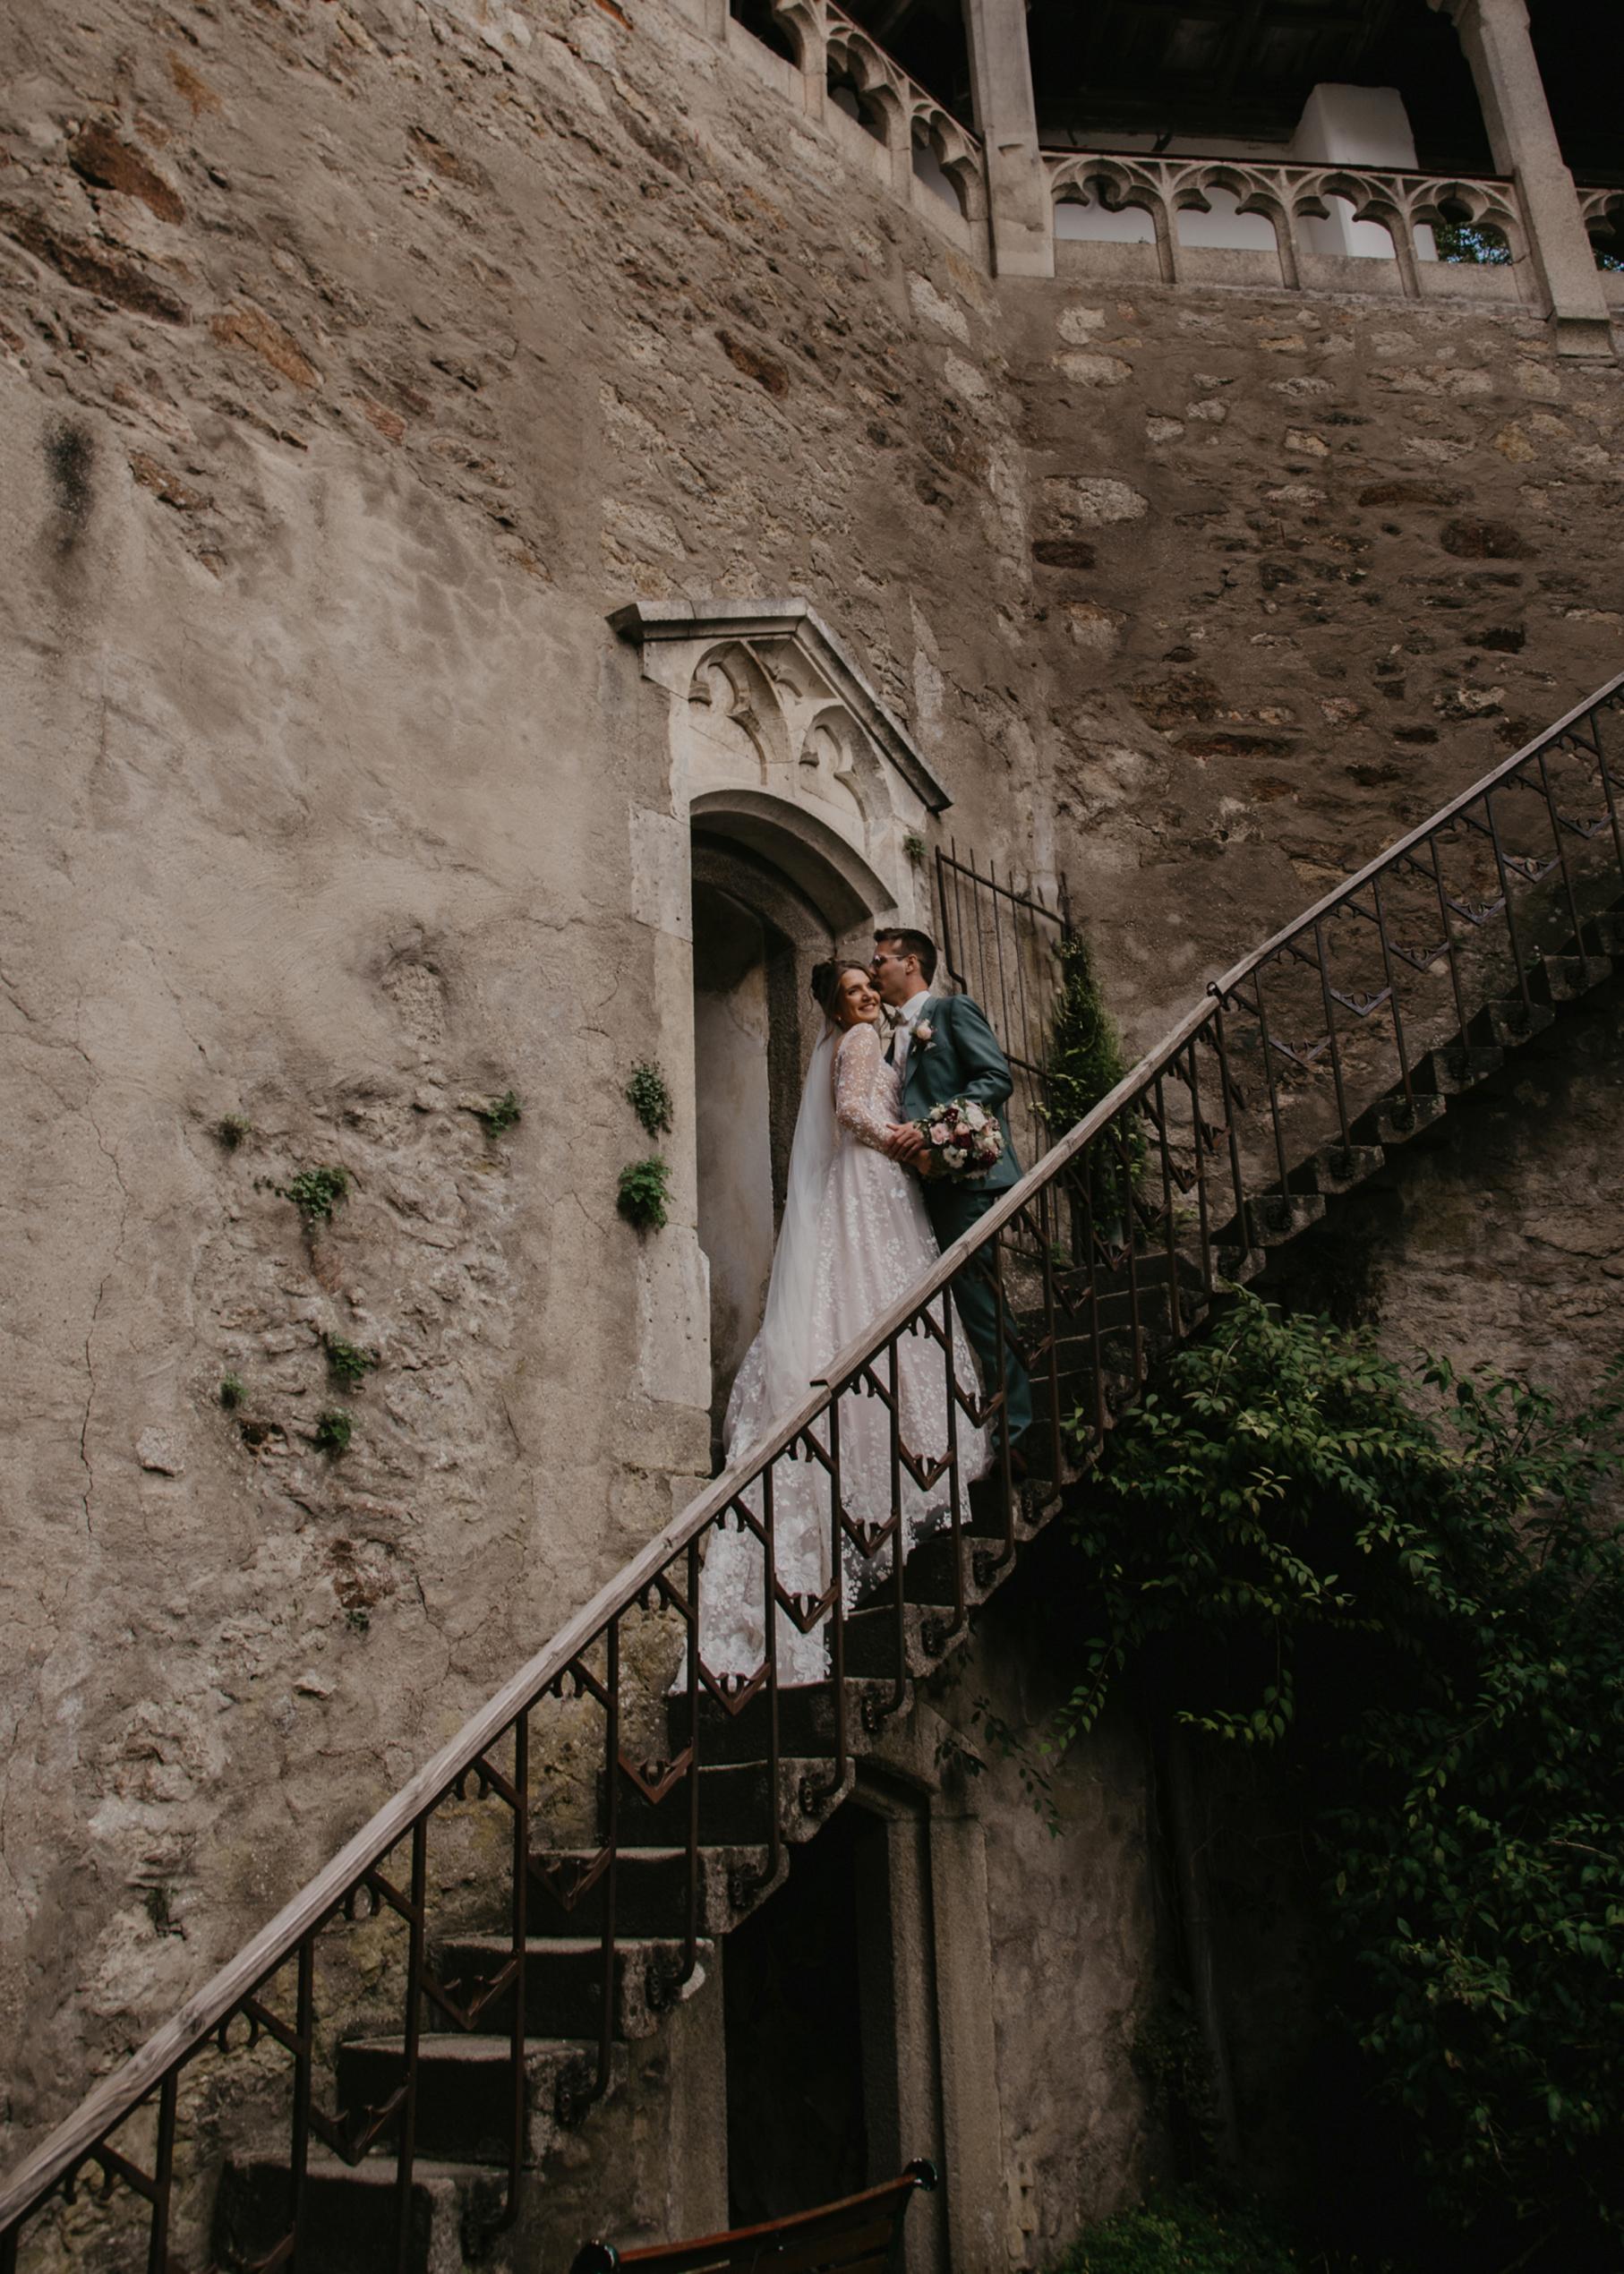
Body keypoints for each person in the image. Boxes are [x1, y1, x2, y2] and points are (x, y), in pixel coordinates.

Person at [692, 961, 989, 1686]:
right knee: (875, 1290)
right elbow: (853, 1112)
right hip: (870, 1175)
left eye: (867, 987)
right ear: (835, 1008)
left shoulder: (863, 1039)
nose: (865, 997)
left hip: (866, 1178)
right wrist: (909, 1141)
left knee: (867, 1296)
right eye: (852, 992)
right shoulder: (858, 1042)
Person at [869, 928, 1034, 1455]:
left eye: (880, 960)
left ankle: (1017, 1427)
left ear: (910, 963)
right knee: (957, 1304)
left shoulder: (951, 1011)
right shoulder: (890, 1038)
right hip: (922, 1187)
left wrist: (931, 1128)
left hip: (966, 1178)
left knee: (979, 1300)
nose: (873, 970)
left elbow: (995, 1079)